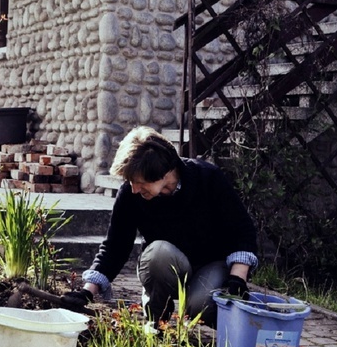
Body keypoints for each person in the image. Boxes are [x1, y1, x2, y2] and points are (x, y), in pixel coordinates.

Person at [64, 126, 258, 330]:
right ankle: (156, 323)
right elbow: (115, 245)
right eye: (130, 182)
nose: (134, 189)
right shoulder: (131, 195)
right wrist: (87, 292)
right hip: (167, 265)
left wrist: (238, 280)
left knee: (200, 306)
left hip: (210, 265)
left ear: (163, 173)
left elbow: (242, 230)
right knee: (157, 253)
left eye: (139, 182)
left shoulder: (208, 178)